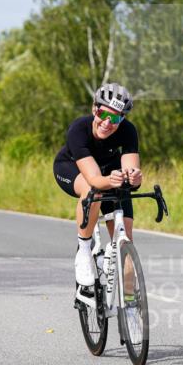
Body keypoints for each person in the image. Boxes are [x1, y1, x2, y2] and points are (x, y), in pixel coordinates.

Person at [53, 83, 143, 287]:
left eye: (116, 118)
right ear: (95, 109)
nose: (108, 123)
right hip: (73, 168)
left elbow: (130, 171)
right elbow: (94, 179)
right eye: (104, 114)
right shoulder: (79, 129)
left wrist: (134, 179)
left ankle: (130, 306)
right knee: (93, 190)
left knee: (125, 240)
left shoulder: (128, 131)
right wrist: (110, 180)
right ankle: (84, 252)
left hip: (108, 171)